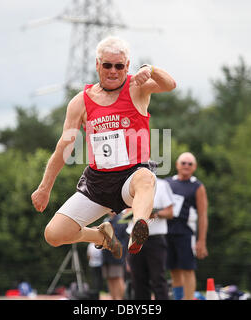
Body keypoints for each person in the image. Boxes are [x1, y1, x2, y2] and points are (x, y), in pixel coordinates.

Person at [31, 36, 176, 260]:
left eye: (119, 66)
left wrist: (151, 69)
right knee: (54, 234)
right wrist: (44, 187)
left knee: (146, 178)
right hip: (98, 182)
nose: (113, 71)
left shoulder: (137, 87)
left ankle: (138, 227)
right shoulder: (80, 102)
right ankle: (101, 237)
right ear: (97, 65)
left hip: (131, 176)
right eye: (107, 65)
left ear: (127, 66)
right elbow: (64, 146)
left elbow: (170, 85)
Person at [165, 152, 209, 300]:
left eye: (190, 164)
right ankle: (178, 298)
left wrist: (201, 240)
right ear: (177, 165)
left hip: (186, 232)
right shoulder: (168, 183)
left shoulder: (197, 186)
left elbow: (203, 215)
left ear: (194, 167)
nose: (186, 166)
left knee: (188, 269)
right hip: (167, 231)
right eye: (183, 163)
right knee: (174, 269)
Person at [126, 178, 174, 300]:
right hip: (135, 237)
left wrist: (156, 214)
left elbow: (170, 212)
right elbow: (124, 211)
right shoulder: (130, 184)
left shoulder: (162, 185)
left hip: (155, 239)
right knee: (138, 279)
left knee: (158, 278)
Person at [101, 212, 129, 300]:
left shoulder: (121, 220)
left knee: (117, 278)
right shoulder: (106, 220)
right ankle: (113, 298)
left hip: (117, 255)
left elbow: (115, 236)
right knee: (110, 278)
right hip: (106, 256)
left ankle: (120, 298)